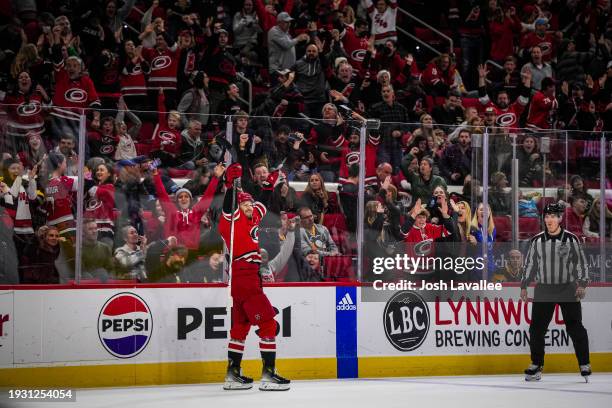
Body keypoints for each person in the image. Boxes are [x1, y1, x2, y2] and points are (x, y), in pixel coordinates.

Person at [219, 163, 290, 391]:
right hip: (245, 277)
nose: (249, 206)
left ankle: (232, 374)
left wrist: (269, 186)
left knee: (240, 327)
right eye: (245, 204)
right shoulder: (232, 220)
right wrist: (231, 185)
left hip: (245, 279)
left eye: (250, 203)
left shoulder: (253, 218)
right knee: (268, 324)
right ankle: (268, 375)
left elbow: (262, 202)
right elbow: (229, 205)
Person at [521, 203, 591, 382]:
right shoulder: (536, 240)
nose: (549, 219)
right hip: (544, 289)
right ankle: (536, 364)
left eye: (553, 216)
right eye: (547, 216)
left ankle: (584, 363)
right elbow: (530, 264)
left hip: (567, 288)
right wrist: (524, 285)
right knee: (536, 328)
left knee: (575, 326)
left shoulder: (571, 239)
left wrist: (582, 284)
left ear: (560, 218)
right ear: (543, 219)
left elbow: (581, 263)